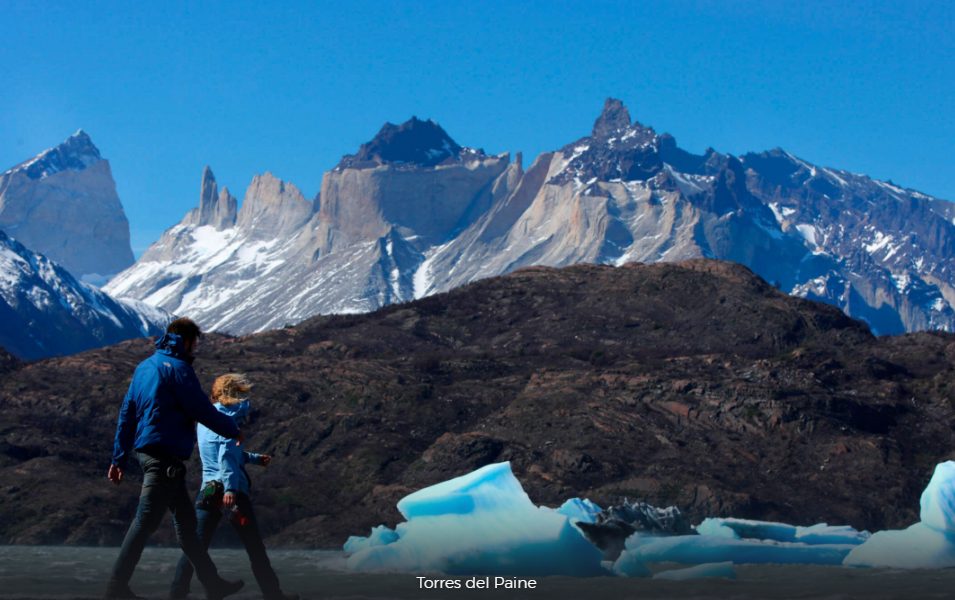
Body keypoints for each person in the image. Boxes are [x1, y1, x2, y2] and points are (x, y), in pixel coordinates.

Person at [105, 318, 245, 600]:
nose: (196, 348)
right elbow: (202, 410)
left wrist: (118, 458)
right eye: (196, 342)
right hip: (163, 456)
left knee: (186, 525)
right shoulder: (179, 369)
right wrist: (233, 430)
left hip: (149, 453)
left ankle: (213, 584)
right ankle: (115, 588)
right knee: (144, 521)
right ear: (187, 341)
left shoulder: (144, 367)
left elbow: (127, 414)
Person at [169, 373, 298, 600]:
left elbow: (224, 452)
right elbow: (226, 455)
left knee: (195, 548)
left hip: (208, 489)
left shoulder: (205, 420)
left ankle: (176, 593)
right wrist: (230, 490)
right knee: (255, 549)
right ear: (235, 394)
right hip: (231, 491)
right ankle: (274, 595)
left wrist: (256, 458)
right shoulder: (228, 420)